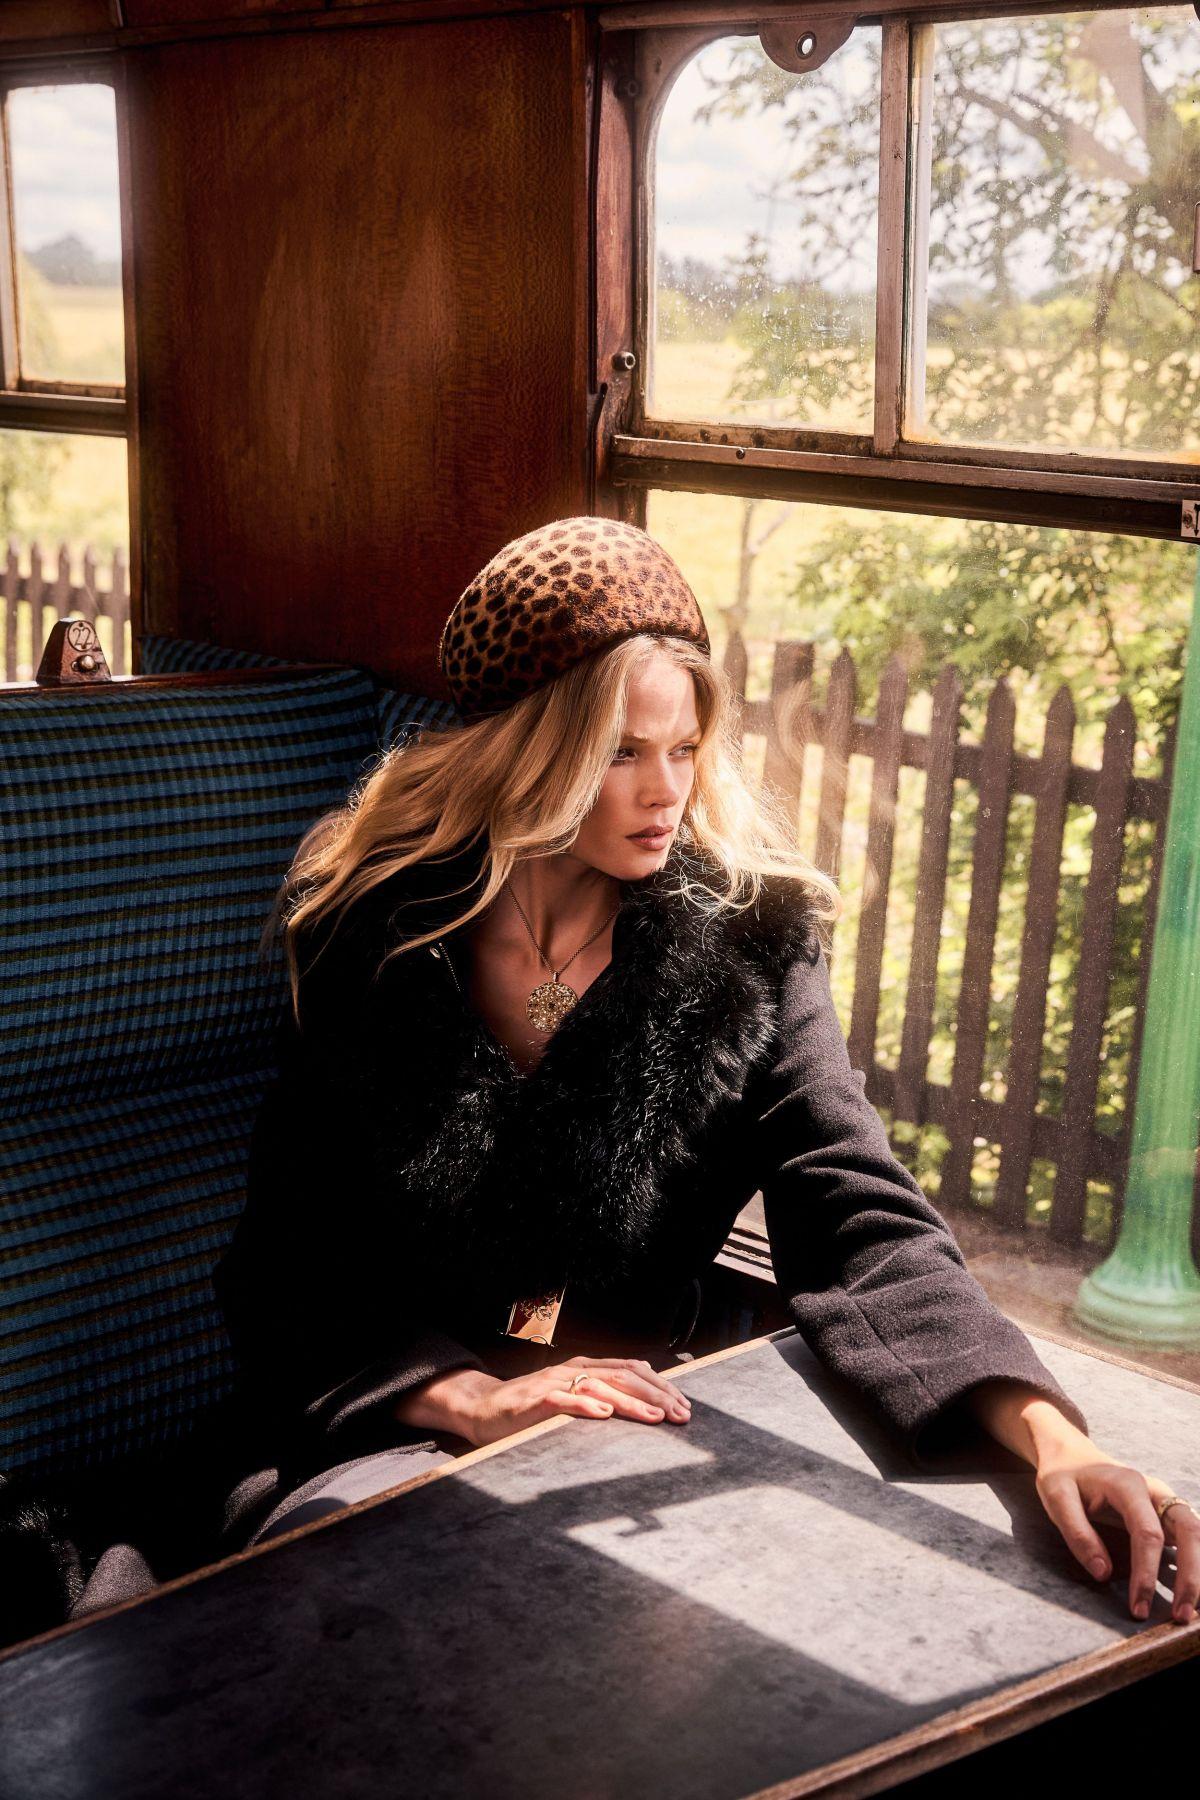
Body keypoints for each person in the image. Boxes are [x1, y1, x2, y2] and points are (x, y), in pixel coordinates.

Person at [214, 515, 1197, 1623]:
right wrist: (476, 1397)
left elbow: (860, 1213)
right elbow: (285, 1268)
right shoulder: (379, 938)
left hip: (625, 1439)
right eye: (621, 753)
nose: (664, 791)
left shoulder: (750, 950)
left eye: (684, 749)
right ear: (525, 751)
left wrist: (1051, 1437)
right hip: (386, 1424)